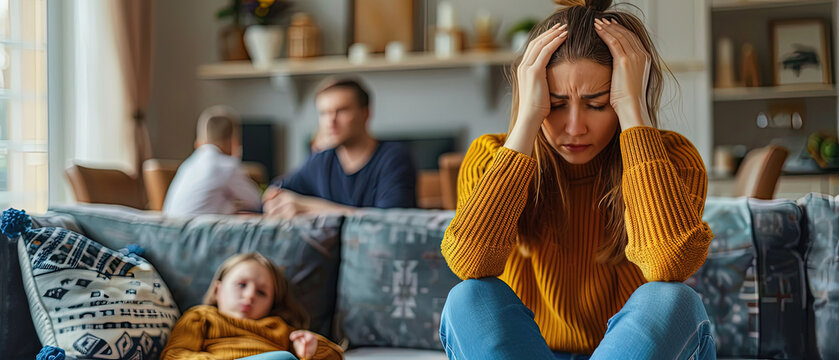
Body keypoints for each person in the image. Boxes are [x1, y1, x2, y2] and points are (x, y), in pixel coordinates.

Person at [438, 1, 716, 359]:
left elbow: (669, 263)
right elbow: (471, 262)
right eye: (554, 103)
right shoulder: (492, 155)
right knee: (468, 297)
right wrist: (525, 124)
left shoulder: (674, 159)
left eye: (598, 104)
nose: (574, 127)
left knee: (674, 298)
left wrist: (634, 112)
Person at [263, 78, 416, 218]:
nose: (331, 121)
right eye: (324, 113)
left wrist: (307, 207)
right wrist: (274, 197)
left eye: (341, 111)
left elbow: (388, 224)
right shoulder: (322, 159)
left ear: (366, 113)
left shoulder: (394, 158)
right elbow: (279, 188)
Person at [160, 253, 343, 360]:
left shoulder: (278, 328)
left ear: (272, 303)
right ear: (218, 289)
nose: (249, 296)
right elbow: (174, 355)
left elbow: (337, 356)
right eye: (241, 285)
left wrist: (311, 349)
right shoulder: (201, 316)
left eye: (262, 293)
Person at [163, 106, 262, 216]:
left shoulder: (188, 165)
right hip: (199, 231)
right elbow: (256, 202)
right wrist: (233, 205)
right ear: (233, 141)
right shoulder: (226, 166)